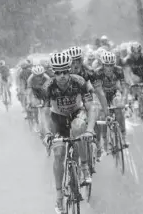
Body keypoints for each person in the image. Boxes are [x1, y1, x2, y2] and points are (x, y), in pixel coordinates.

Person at [41, 52, 97, 213]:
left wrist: (90, 129)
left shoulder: (79, 81)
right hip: (58, 119)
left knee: (79, 127)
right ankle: (59, 197)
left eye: (65, 71)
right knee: (58, 154)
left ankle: (85, 166)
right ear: (53, 72)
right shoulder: (48, 87)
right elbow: (44, 113)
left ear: (70, 69)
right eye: (58, 72)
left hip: (77, 113)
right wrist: (47, 133)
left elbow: (90, 107)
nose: (63, 76)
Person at [91, 51, 129, 160]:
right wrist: (104, 108)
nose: (109, 68)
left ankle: (123, 134)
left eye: (111, 65)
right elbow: (99, 92)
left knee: (118, 109)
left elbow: (124, 86)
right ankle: (102, 142)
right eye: (107, 65)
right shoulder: (97, 73)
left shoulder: (119, 70)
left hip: (113, 93)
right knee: (101, 116)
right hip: (100, 95)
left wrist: (124, 100)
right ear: (103, 65)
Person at [122, 41, 143, 125]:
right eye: (134, 53)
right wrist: (131, 83)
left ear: (140, 52)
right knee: (135, 82)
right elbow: (128, 74)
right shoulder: (128, 59)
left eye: (138, 53)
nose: (136, 55)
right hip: (134, 77)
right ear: (132, 52)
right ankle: (135, 99)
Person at [27, 65, 50, 133]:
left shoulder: (47, 78)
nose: (39, 77)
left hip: (44, 93)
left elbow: (50, 90)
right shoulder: (30, 79)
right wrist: (29, 102)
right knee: (34, 107)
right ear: (33, 74)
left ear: (43, 73)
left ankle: (48, 124)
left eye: (41, 75)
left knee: (48, 109)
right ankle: (37, 123)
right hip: (35, 93)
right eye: (37, 76)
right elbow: (29, 91)